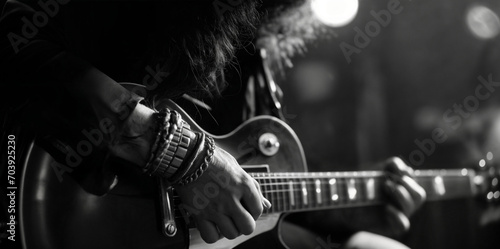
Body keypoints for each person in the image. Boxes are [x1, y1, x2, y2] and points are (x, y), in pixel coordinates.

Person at [0, 0, 425, 248]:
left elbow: (249, 201)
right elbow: (13, 42)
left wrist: (351, 215)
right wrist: (181, 156)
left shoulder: (261, 48)